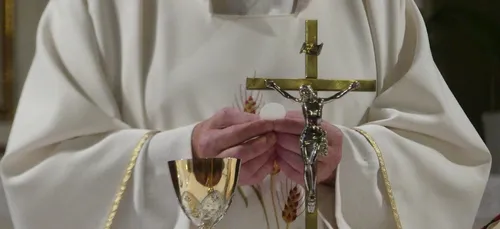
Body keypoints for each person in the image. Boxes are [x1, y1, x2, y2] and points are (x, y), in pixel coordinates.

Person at [0, 0, 491, 229]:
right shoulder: (95, 8)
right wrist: (185, 160)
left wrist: (352, 163)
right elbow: (43, 173)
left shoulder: (379, 6)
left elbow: (446, 155)